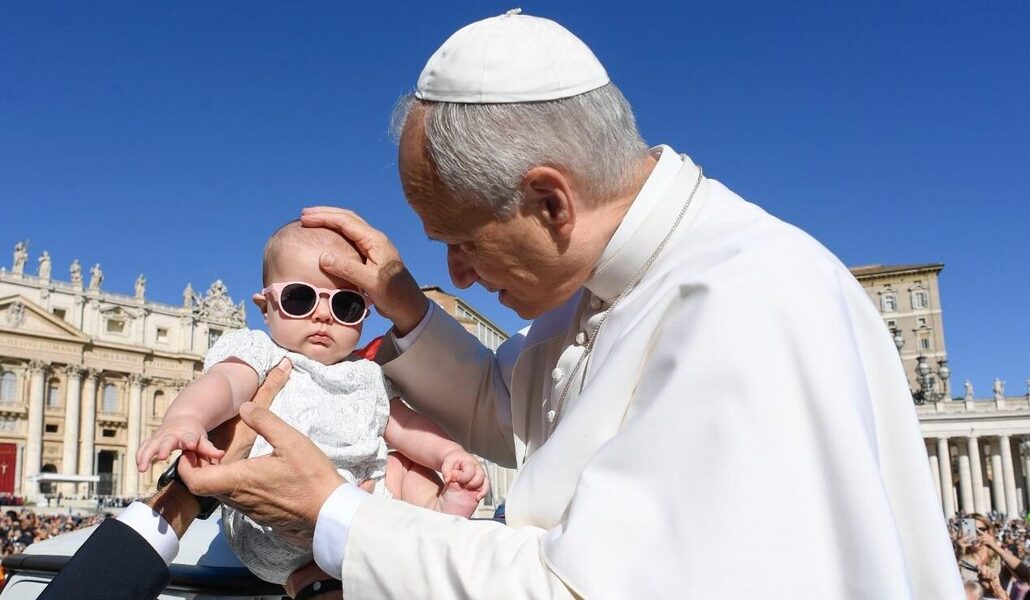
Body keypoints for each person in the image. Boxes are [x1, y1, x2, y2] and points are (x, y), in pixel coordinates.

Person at [177, 11, 964, 598]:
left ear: (550, 201)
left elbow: (590, 588)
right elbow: (505, 405)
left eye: (463, 240)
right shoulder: (596, 295)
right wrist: (405, 304)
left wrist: (338, 515)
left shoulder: (745, 297)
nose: (459, 272)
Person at [136, 221, 488, 584]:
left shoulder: (366, 377)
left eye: (346, 305)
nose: (322, 315)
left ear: (366, 313)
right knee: (398, 468)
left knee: (405, 463)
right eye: (300, 298)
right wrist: (187, 418)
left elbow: (407, 427)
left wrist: (448, 455)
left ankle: (439, 509)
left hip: (361, 512)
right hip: (270, 516)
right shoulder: (260, 354)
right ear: (265, 306)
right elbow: (223, 384)